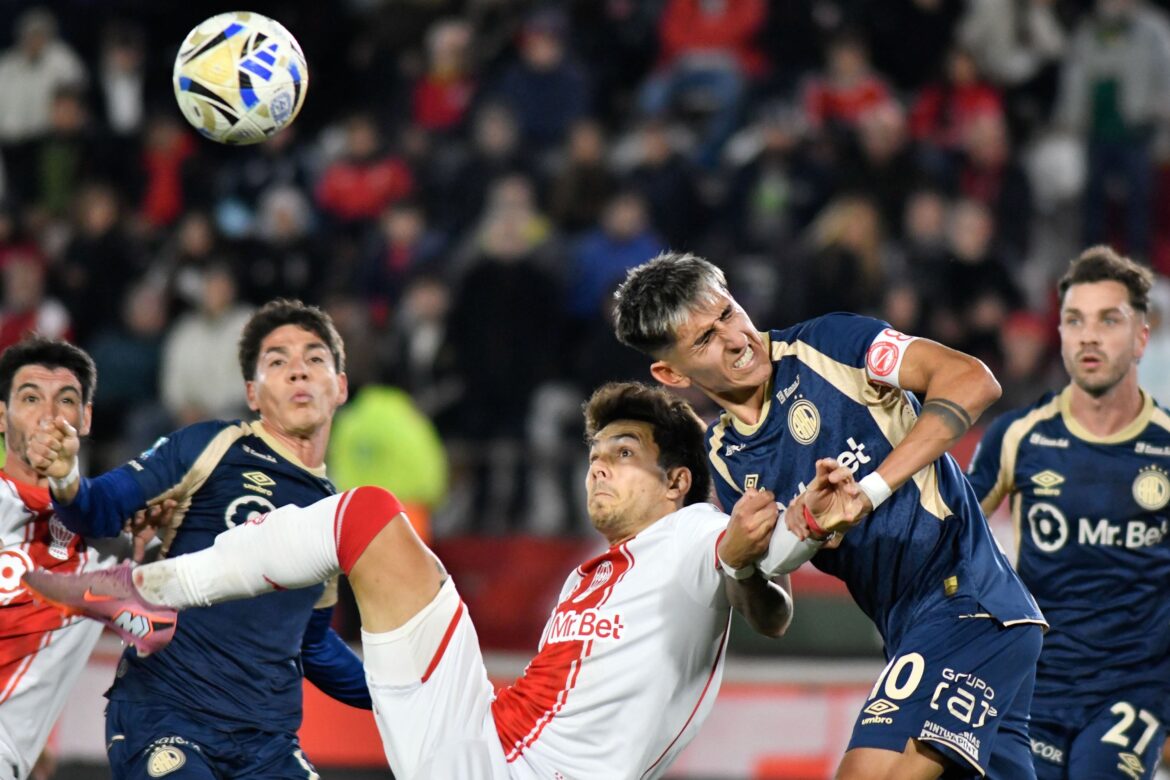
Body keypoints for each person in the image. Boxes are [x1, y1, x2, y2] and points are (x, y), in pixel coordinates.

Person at [25, 381, 858, 779]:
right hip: (482, 740)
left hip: (511, 765)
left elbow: (763, 590)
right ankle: (150, 589)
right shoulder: (592, 575)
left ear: (677, 483)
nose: (599, 468)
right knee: (359, 520)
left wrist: (793, 533)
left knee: (366, 516)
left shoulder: (695, 534)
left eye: (625, 454)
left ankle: (154, 588)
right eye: (596, 453)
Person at [612, 252, 1047, 779]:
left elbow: (973, 380)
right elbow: (774, 617)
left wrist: (869, 491)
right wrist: (743, 564)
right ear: (671, 372)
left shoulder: (831, 346)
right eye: (704, 339)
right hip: (913, 631)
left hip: (969, 603)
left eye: (727, 313)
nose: (735, 338)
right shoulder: (726, 460)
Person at [25, 299, 370, 778]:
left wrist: (406, 692)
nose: (298, 371)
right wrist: (66, 477)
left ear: (341, 387)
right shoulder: (211, 446)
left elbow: (311, 645)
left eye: (314, 358)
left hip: (267, 744)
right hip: (166, 716)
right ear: (252, 392)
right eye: (277, 362)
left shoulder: (332, 513)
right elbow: (100, 508)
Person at [967, 246, 1170, 779]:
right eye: (1075, 320)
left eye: (1109, 320)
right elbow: (946, 533)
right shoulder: (1017, 437)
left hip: (1134, 691)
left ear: (1142, 338)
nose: (1089, 336)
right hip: (1036, 686)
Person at [0, 336, 127, 780]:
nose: (49, 416)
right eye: (30, 398)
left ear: (85, 418)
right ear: (1, 416)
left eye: (66, 400)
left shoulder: (110, 541)